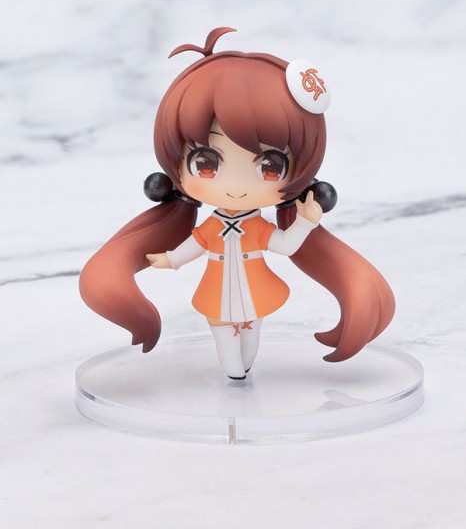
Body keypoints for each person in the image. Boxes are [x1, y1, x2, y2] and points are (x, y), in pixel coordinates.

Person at [79, 27, 395, 379]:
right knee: (225, 340)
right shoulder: (212, 227)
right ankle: (235, 374)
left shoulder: (258, 227)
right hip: (217, 292)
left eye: (271, 167)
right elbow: (194, 246)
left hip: (255, 291)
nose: (236, 189)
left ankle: (242, 369)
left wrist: (306, 221)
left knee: (250, 334)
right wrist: (170, 259)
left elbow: (285, 245)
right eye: (205, 163)